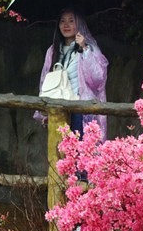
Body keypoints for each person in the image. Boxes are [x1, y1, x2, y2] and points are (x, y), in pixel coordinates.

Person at [38, 9, 109, 138]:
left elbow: (98, 78)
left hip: (79, 108)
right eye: (62, 21)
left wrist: (84, 49)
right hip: (58, 107)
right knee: (59, 152)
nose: (66, 25)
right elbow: (45, 80)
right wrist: (45, 110)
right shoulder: (53, 51)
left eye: (71, 21)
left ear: (79, 24)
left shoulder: (89, 48)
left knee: (79, 151)